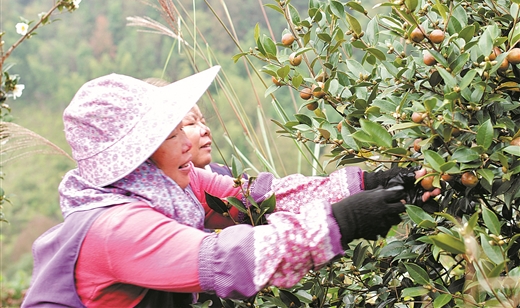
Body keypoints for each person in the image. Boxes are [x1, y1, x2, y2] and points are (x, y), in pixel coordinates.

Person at [22, 66, 439, 307]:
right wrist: (346, 220)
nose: (188, 141)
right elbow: (228, 259)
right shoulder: (115, 229)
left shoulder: (169, 184)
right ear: (136, 156)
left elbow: (258, 199)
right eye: (169, 135)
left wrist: (369, 183)